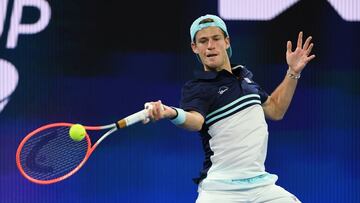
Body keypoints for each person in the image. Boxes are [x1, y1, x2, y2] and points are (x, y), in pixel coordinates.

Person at [144, 14, 315, 203]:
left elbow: (276, 110)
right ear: (195, 48)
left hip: (262, 187)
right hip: (220, 190)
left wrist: (293, 72)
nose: (210, 46)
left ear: (226, 41)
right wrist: (171, 113)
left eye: (216, 39)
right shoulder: (198, 88)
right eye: (203, 41)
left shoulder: (247, 80)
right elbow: (195, 121)